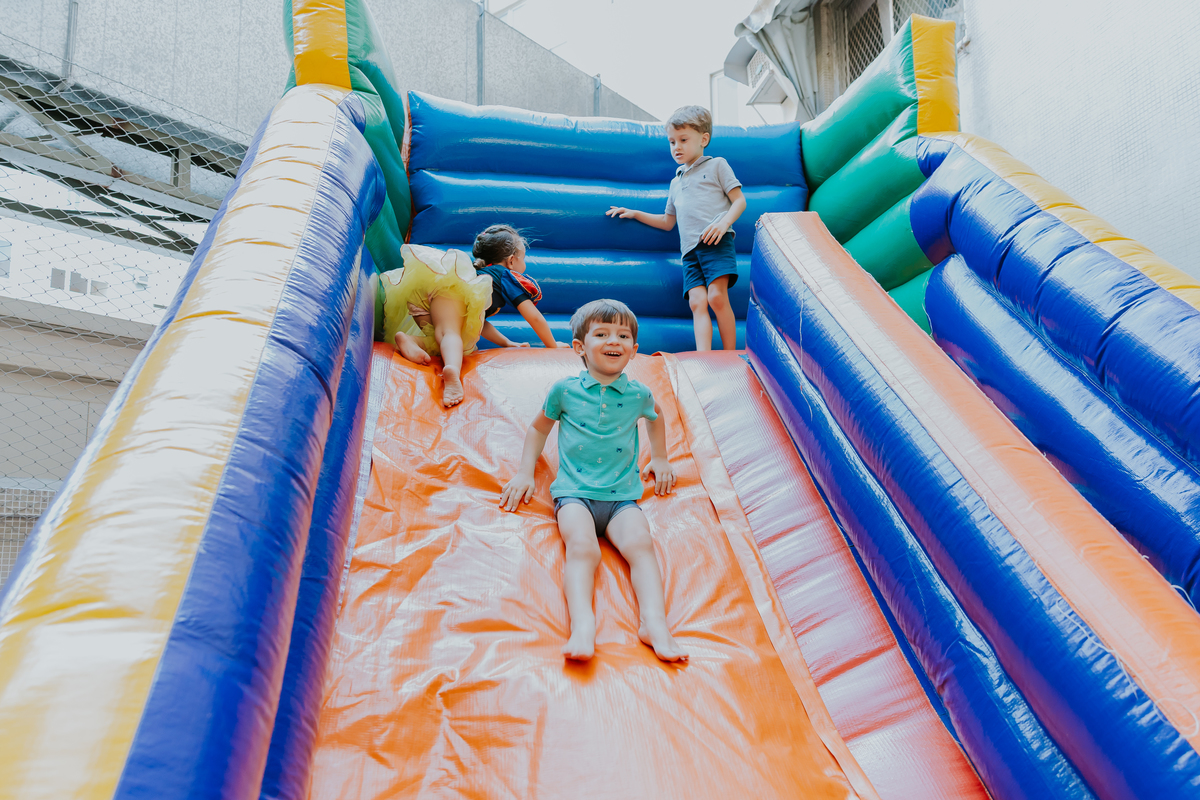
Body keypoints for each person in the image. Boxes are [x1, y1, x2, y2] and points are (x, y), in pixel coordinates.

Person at [500, 299, 687, 663]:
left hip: (622, 497)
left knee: (641, 545)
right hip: (574, 494)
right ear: (579, 347)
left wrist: (661, 457)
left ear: (634, 349)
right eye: (601, 334)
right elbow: (538, 429)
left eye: (623, 335)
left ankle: (655, 625)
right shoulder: (565, 391)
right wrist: (525, 472)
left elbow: (656, 416)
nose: (613, 341)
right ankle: (583, 627)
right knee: (583, 547)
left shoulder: (638, 394)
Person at [605, 105, 746, 352]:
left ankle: (730, 354)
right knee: (697, 302)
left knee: (716, 296)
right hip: (689, 251)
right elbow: (667, 221)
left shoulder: (717, 165)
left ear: (704, 139)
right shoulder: (676, 182)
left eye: (683, 140)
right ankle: (704, 356)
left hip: (716, 241)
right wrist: (635, 213)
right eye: (672, 142)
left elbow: (740, 201)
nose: (676, 147)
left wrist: (723, 223)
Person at [384, 224, 564, 407]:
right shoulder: (506, 276)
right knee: (450, 334)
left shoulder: (483, 276)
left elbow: (478, 324)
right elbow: (534, 317)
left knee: (448, 340)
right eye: (523, 259)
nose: (524, 264)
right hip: (447, 293)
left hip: (425, 303)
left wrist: (507, 343)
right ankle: (452, 374)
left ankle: (412, 341)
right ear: (511, 261)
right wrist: (552, 345)